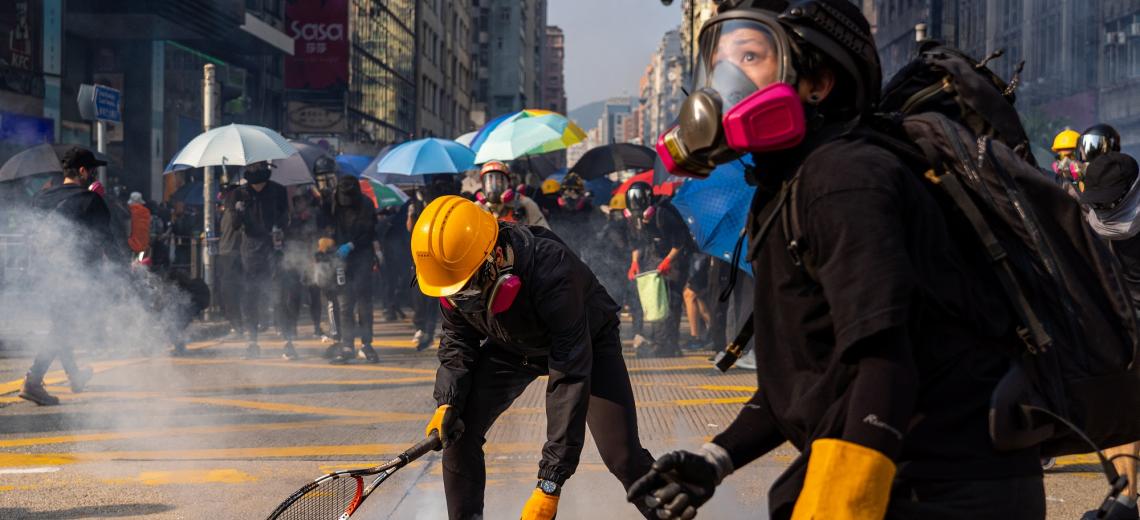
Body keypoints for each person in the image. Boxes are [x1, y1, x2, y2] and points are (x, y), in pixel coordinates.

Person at [631, 1, 1044, 519]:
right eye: (720, 63)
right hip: (905, 467)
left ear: (818, 82)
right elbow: (815, 381)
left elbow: (884, 360)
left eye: (751, 55)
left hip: (943, 487)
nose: (726, 79)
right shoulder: (789, 183)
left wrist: (845, 500)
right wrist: (717, 458)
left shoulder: (845, 178)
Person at [413, 195, 655, 520]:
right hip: (512, 345)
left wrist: (549, 484)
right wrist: (447, 401)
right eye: (452, 294)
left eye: (467, 292)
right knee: (458, 430)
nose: (461, 302)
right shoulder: (456, 287)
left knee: (623, 457)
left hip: (586, 343)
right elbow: (457, 341)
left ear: (496, 257)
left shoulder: (552, 269)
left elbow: (569, 375)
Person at [1077, 152, 1140, 520]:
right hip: (1123, 322)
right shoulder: (1093, 221)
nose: (1102, 209)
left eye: (1109, 199)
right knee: (1119, 413)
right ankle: (1127, 501)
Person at [18, 147, 108, 405]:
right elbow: (109, 244)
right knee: (63, 327)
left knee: (62, 324)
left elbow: (30, 235)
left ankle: (75, 375)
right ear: (82, 171)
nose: (93, 175)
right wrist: (125, 276)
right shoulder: (90, 201)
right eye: (91, 171)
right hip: (75, 277)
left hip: (42, 275)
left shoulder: (40, 198)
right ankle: (33, 381)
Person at [624, 181, 693, 357]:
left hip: (675, 259)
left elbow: (680, 241)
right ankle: (660, 341)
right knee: (655, 302)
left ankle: (669, 345)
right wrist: (634, 263)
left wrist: (668, 260)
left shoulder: (664, 214)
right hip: (653, 257)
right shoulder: (633, 219)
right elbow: (637, 243)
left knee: (672, 301)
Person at [233, 161, 289, 359]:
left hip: (273, 247)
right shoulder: (240, 193)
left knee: (280, 293)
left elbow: (285, 217)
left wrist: (279, 229)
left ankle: (287, 340)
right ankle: (252, 341)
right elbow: (234, 226)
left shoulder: (278, 191)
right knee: (251, 295)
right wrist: (238, 210)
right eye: (252, 168)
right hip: (250, 250)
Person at [329, 176, 378, 364]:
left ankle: (366, 344)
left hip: (362, 255)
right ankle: (347, 345)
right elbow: (328, 226)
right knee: (344, 302)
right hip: (340, 258)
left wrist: (352, 244)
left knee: (364, 302)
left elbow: (370, 231)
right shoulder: (334, 202)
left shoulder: (365, 204)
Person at [475, 161, 549, 228]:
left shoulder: (525, 204)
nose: (493, 185)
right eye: (489, 179)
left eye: (499, 179)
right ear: (483, 184)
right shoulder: (476, 208)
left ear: (508, 183)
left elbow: (544, 233)